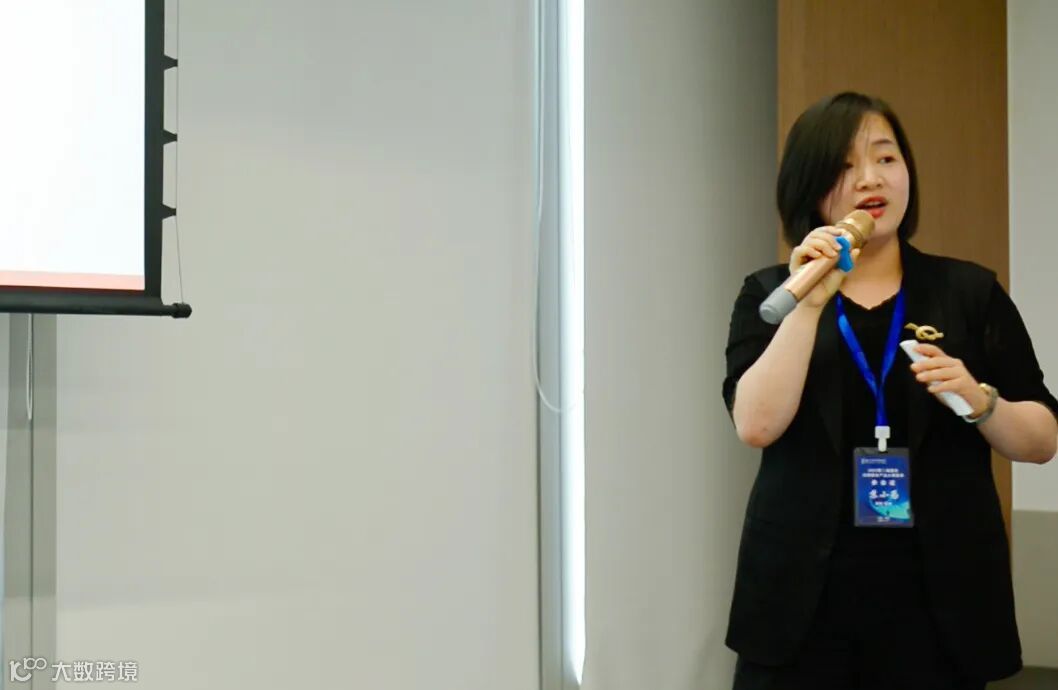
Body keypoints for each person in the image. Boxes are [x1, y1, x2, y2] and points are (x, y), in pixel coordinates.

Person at [722, 91, 1058, 690]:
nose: (870, 180)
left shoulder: (968, 292)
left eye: (886, 158)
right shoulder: (771, 293)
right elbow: (756, 425)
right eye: (844, 166)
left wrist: (981, 402)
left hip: (939, 602)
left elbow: (1042, 440)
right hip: (801, 602)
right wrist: (810, 303)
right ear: (810, 189)